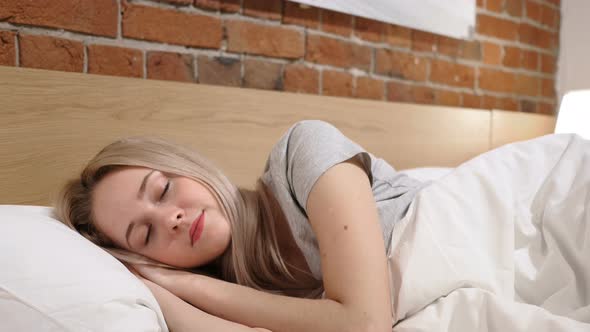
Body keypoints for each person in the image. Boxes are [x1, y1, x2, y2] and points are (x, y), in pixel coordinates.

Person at [54, 120, 425, 332]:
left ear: (188, 165)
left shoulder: (302, 151)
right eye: (146, 234)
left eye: (163, 188)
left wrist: (188, 283)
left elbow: (364, 325)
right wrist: (159, 291)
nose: (171, 219)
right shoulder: (233, 298)